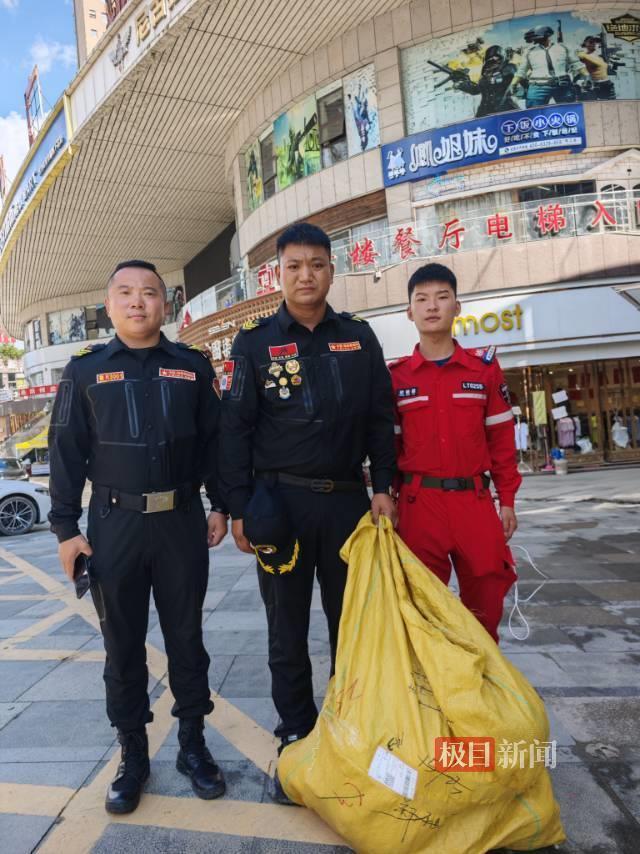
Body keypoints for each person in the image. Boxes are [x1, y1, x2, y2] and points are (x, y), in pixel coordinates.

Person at [218, 222, 396, 802]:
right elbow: (234, 430)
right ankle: (296, 732)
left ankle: (350, 727)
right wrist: (239, 509)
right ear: (278, 272)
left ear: (331, 269)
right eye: (294, 265)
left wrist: (384, 486)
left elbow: (379, 420)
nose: (306, 275)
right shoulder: (254, 342)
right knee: (286, 628)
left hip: (348, 503)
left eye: (317, 264)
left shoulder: (358, 336)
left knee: (352, 628)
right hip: (281, 508)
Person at [48, 260, 228, 815]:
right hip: (113, 526)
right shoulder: (84, 372)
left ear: (165, 304)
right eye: (125, 293)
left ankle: (193, 746)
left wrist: (221, 504)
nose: (137, 302)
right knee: (121, 647)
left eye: (149, 293)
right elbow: (65, 454)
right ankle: (133, 754)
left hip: (180, 522)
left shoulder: (192, 367)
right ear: (109, 306)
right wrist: (65, 531)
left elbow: (215, 444)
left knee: (186, 640)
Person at [390, 263, 521, 644]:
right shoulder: (397, 377)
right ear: (409, 312)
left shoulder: (483, 370)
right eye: (422, 299)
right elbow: (390, 447)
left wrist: (507, 500)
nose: (432, 306)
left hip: (474, 503)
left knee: (485, 605)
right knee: (423, 611)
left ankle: (483, 690)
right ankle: (435, 695)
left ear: (457, 306)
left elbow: (501, 440)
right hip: (419, 504)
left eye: (442, 297)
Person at [509, 25, 586, 107]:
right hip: (538, 86)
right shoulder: (529, 51)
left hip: (562, 85)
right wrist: (513, 83)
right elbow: (522, 71)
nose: (534, 41)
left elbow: (577, 64)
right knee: (534, 112)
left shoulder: (563, 48)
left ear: (546, 35)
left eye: (536, 38)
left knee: (569, 110)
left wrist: (587, 76)